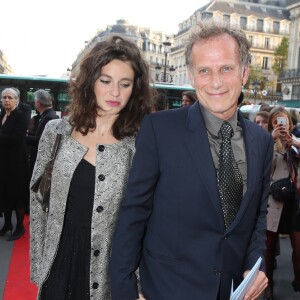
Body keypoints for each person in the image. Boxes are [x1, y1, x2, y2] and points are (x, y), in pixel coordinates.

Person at [110, 19, 273, 300]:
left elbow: (257, 217)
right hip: (165, 291)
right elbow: (133, 214)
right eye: (205, 71)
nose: (216, 81)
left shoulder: (262, 141)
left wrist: (254, 265)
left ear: (244, 72)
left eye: (226, 68)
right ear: (191, 75)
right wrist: (125, 291)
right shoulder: (159, 130)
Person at [30, 35, 153, 300]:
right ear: (90, 82)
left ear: (136, 89)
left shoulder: (141, 144)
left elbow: (147, 221)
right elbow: (38, 198)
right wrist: (39, 265)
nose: (115, 93)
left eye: (125, 84)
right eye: (106, 81)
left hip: (109, 272)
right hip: (57, 265)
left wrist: (140, 285)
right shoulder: (57, 132)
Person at [264, 106, 300, 299]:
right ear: (272, 123)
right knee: (268, 249)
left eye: (283, 120)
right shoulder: (265, 142)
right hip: (274, 201)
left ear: (290, 123)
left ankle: (298, 279)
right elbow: (262, 168)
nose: (280, 124)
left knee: (299, 247)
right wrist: (272, 140)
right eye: (276, 121)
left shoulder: (295, 141)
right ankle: (268, 286)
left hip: (295, 201)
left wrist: (291, 143)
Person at [0, 88, 29, 241]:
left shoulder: (21, 116)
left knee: (17, 194)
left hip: (17, 162)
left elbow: (18, 137)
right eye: (4, 97)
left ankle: (19, 226)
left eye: (10, 97)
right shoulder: (2, 114)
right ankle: (7, 225)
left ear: (17, 100)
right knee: (4, 193)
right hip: (3, 161)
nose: (6, 100)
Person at [26, 89, 59, 177]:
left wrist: (23, 136)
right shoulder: (49, 115)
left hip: (41, 158)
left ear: (38, 103)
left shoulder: (47, 117)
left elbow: (39, 139)